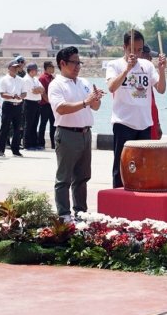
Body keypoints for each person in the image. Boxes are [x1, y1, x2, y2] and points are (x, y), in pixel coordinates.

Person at [48, 46, 104, 222]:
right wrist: (86, 102)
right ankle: (64, 213)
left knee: (82, 176)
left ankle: (80, 212)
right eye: (74, 62)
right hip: (67, 134)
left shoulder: (84, 82)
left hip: (85, 133)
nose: (78, 66)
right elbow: (61, 108)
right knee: (64, 177)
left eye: (79, 62)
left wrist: (95, 100)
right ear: (62, 63)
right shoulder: (56, 85)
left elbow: (95, 107)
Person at [105, 30, 166, 188]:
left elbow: (161, 89)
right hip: (123, 122)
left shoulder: (147, 65)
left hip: (144, 123)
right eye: (134, 50)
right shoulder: (114, 65)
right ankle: (118, 198)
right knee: (122, 164)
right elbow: (111, 87)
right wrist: (127, 69)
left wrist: (162, 69)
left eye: (140, 49)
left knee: (142, 165)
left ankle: (140, 197)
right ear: (124, 47)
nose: (137, 53)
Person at [0, 60, 26, 157]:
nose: (15, 69)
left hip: (18, 106)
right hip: (8, 105)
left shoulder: (21, 80)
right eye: (13, 67)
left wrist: (20, 97)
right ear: (9, 68)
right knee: (5, 128)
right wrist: (13, 96)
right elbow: (2, 94)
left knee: (17, 129)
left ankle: (15, 149)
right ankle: (1, 149)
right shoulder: (3, 79)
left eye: (17, 67)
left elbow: (24, 93)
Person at [141, 45, 162, 139]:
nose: (151, 58)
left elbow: (161, 89)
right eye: (148, 56)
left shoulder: (149, 73)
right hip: (143, 120)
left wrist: (157, 123)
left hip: (151, 117)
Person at [22, 63, 44, 150]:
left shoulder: (35, 79)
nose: (37, 72)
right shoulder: (26, 79)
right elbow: (34, 91)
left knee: (35, 124)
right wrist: (37, 90)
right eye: (35, 70)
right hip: (29, 103)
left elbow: (42, 90)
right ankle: (26, 144)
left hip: (36, 103)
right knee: (28, 124)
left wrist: (38, 90)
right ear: (31, 71)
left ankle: (34, 143)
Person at [38, 61, 56, 149]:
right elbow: (43, 93)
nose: (54, 68)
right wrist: (49, 101)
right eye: (52, 67)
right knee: (43, 124)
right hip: (45, 105)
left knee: (53, 124)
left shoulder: (52, 77)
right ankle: (41, 143)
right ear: (48, 68)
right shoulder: (42, 78)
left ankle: (54, 144)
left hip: (51, 105)